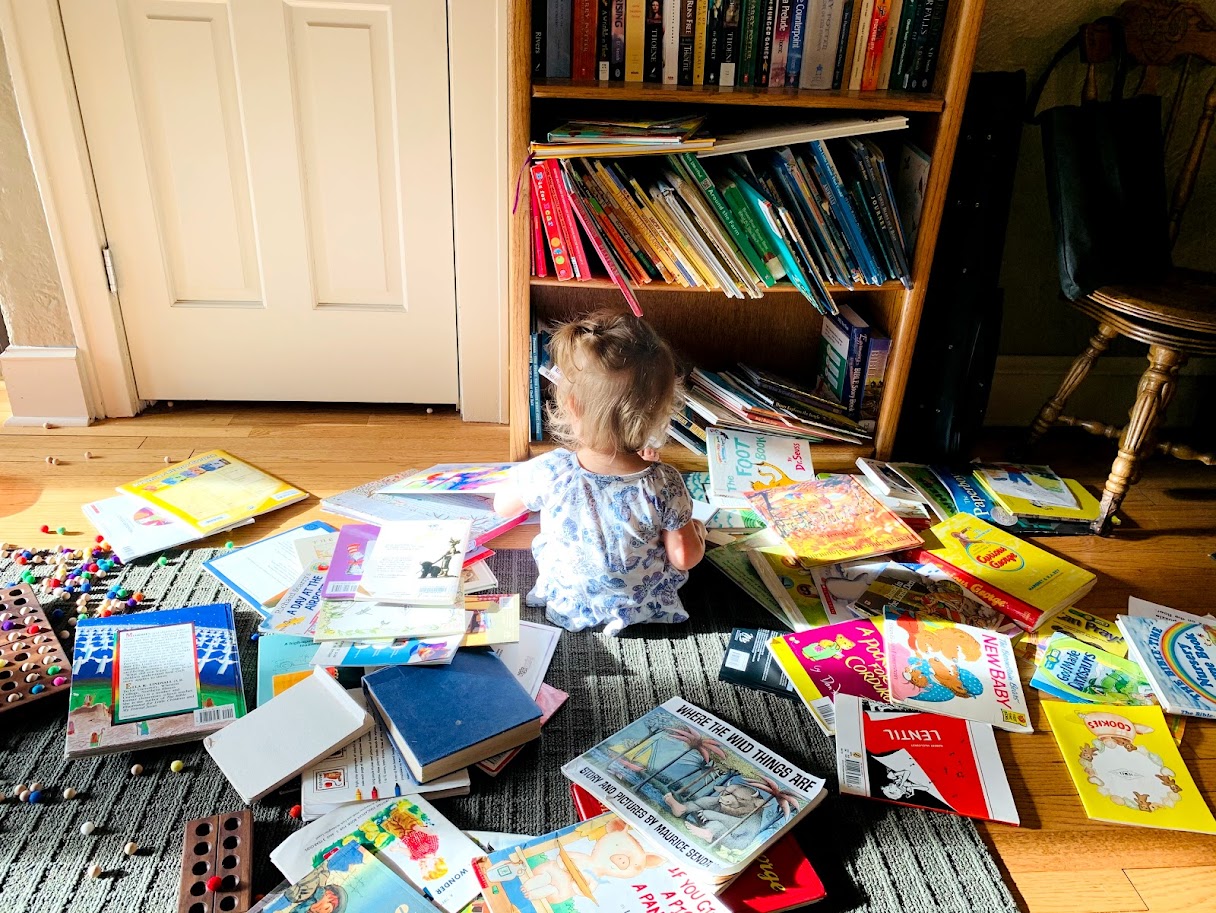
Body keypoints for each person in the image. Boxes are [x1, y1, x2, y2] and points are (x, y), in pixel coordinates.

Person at [494, 310, 705, 635]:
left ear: (573, 406)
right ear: (660, 410)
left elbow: (502, 506)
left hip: (569, 602)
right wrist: (699, 533)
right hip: (642, 606)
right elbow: (684, 558)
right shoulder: (664, 483)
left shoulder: (552, 470)